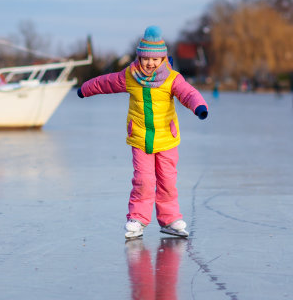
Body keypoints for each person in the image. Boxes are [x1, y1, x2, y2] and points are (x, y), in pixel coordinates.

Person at [77, 26, 208, 239]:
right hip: (140, 139)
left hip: (167, 139)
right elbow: (105, 82)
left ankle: (170, 219)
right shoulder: (131, 76)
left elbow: (188, 94)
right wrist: (85, 89)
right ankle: (137, 218)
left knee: (167, 181)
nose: (150, 63)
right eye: (146, 58)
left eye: (155, 59)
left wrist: (199, 107)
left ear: (163, 58)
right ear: (140, 57)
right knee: (143, 180)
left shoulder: (172, 79)